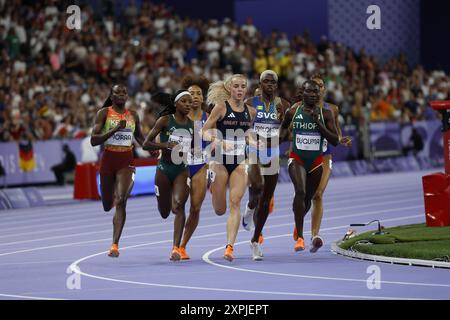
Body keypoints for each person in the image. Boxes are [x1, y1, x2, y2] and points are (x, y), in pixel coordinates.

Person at [202, 74, 256, 261]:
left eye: (243, 86)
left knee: (235, 202)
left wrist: (253, 140)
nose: (240, 90)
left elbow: (247, 132)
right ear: (229, 89)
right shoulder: (221, 108)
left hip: (240, 161)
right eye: (236, 86)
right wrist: (217, 140)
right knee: (219, 209)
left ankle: (229, 248)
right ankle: (213, 185)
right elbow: (204, 131)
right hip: (220, 161)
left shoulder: (251, 111)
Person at [280, 80, 338, 252]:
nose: (313, 94)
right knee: (300, 191)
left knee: (307, 199)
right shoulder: (293, 111)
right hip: (296, 158)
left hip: (316, 162)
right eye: (309, 91)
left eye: (315, 92)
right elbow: (283, 132)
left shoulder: (326, 113)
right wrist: (276, 140)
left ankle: (298, 220)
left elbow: (334, 140)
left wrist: (319, 124)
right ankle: (300, 237)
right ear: (302, 93)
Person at [298, 74, 352, 252]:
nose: (318, 88)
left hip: (324, 156)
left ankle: (315, 235)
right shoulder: (300, 108)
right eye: (314, 86)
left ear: (324, 89)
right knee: (304, 194)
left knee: (318, 194)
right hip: (304, 157)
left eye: (320, 86)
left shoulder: (332, 109)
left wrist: (341, 139)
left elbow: (336, 132)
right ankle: (298, 224)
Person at [91, 84, 146, 258]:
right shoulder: (104, 113)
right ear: (112, 96)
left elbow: (139, 137)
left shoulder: (133, 115)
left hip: (126, 161)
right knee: (108, 205)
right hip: (108, 160)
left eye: (124, 92)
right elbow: (94, 140)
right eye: (117, 93)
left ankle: (115, 244)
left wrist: (151, 147)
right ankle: (109, 202)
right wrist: (115, 129)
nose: (121, 95)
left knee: (121, 200)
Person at [241, 70, 290, 260]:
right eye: (265, 81)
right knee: (258, 187)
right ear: (260, 85)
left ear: (276, 86)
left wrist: (281, 135)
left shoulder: (283, 106)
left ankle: (254, 241)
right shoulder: (250, 103)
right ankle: (250, 207)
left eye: (272, 82)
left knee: (266, 199)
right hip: (253, 150)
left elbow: (287, 131)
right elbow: (242, 126)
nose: (269, 84)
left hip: (273, 152)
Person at [143, 90, 193, 261]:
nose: (188, 104)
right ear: (176, 104)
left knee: (179, 206)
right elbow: (145, 144)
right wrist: (164, 145)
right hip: (164, 169)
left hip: (182, 169)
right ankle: (164, 202)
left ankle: (175, 248)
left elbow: (195, 148)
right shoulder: (165, 120)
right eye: (184, 101)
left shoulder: (193, 125)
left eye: (190, 102)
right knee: (165, 212)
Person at [178, 75, 210, 260]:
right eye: (192, 93)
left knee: (195, 208)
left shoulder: (210, 117)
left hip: (200, 165)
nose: (196, 96)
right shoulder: (178, 116)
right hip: (180, 165)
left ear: (203, 98)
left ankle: (182, 246)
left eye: (199, 93)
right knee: (177, 206)